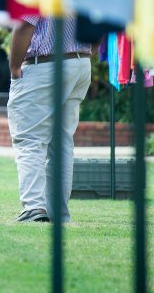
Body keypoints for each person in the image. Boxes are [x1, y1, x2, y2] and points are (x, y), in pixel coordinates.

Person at [7, 14, 92, 223]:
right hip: (80, 63)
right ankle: (58, 212)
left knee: (30, 139)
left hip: (46, 64)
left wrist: (14, 67)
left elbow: (25, 24)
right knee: (62, 143)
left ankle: (34, 206)